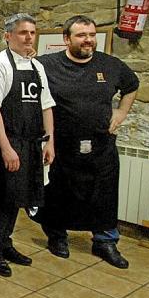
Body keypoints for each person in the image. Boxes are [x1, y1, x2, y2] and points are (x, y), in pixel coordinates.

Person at [37, 15, 139, 268]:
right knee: (58, 193)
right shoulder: (47, 65)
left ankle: (105, 241)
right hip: (61, 146)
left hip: (101, 147)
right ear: (66, 39)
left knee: (104, 195)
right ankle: (57, 236)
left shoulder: (111, 65)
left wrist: (122, 112)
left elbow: (132, 85)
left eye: (92, 35)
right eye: (82, 35)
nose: (88, 40)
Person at [0, 13, 55, 277]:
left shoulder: (37, 67)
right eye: (23, 32)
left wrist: (49, 142)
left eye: (32, 33)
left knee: (18, 198)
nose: (28, 37)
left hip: (31, 143)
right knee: (2, 199)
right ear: (7, 36)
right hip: (8, 142)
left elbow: (46, 106)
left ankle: (6, 243)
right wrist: (5, 147)